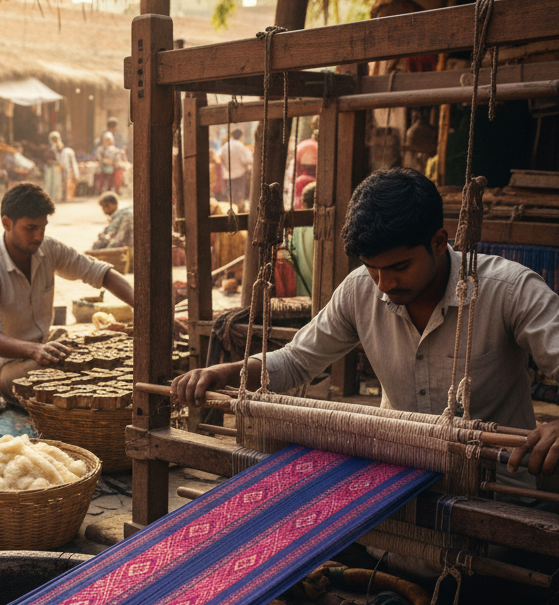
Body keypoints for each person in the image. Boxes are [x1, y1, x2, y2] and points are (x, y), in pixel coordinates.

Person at [172, 168, 559, 483]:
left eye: (399, 267)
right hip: (392, 483)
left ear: (440, 242)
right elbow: (295, 362)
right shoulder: (362, 288)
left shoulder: (509, 290)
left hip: (495, 489)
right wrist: (226, 373)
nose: (384, 285)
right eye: (372, 268)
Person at [0, 183, 136, 402]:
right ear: (7, 223)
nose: (38, 236)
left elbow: (100, 273)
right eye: (30, 228)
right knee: (69, 373)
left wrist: (143, 309)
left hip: (40, 353)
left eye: (43, 228)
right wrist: (34, 350)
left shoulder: (48, 249)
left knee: (96, 355)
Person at [220, 128, 253, 211]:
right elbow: (247, 160)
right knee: (240, 196)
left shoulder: (226, 145)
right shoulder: (239, 145)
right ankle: (240, 213)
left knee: (231, 197)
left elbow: (221, 157)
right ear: (241, 136)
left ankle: (233, 213)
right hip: (240, 175)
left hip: (229, 176)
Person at [48, 131, 79, 202]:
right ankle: (63, 197)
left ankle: (66, 197)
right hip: (60, 169)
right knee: (61, 184)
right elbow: (53, 158)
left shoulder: (67, 151)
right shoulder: (53, 149)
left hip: (67, 170)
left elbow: (72, 163)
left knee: (68, 184)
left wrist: (74, 173)